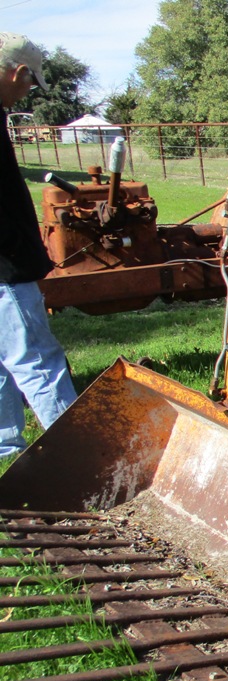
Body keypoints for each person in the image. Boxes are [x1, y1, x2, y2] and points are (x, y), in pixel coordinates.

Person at [0, 32, 75, 458]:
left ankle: (6, 449)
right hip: (5, 268)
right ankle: (79, 453)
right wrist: (18, 251)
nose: (27, 91)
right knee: (37, 360)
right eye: (30, 83)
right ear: (18, 71)